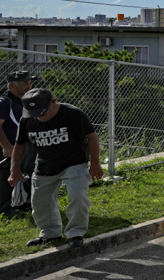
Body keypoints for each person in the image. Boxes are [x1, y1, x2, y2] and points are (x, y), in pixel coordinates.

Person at [8, 88, 103, 248]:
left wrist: (95, 163)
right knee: (39, 203)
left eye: (42, 111)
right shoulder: (28, 119)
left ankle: (75, 234)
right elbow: (20, 144)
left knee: (78, 197)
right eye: (34, 112)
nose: (39, 116)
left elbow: (92, 136)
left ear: (53, 102)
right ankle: (50, 234)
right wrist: (14, 170)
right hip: (45, 165)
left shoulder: (73, 114)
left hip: (74, 162)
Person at [0, 70, 37, 216]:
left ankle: (24, 203)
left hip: (26, 146)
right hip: (10, 147)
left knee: (26, 174)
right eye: (24, 83)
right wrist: (6, 146)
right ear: (12, 86)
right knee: (7, 178)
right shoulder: (5, 102)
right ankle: (6, 209)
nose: (28, 86)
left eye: (29, 83)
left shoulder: (26, 100)